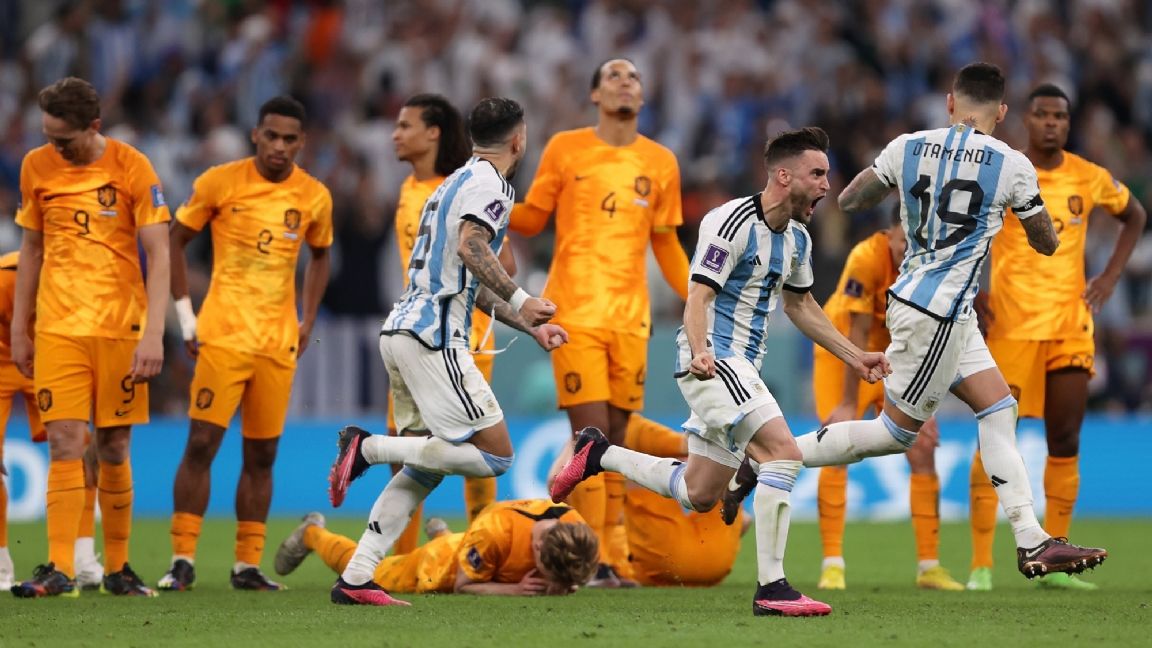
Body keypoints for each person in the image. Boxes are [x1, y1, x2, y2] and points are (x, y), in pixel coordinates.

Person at [783, 62, 1107, 584]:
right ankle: (772, 453)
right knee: (893, 434)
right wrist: (1022, 212)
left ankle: (1032, 539)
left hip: (942, 309)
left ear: (951, 103)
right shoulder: (1012, 164)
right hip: (937, 313)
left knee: (999, 408)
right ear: (1002, 112)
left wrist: (902, 192)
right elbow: (1046, 242)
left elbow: (850, 199)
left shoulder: (907, 147)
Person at [552, 127, 884, 617]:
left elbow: (801, 306)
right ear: (783, 175)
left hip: (742, 368)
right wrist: (701, 350)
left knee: (699, 492)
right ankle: (772, 588)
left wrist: (855, 357)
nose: (826, 185)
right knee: (784, 453)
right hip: (715, 361)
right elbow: (698, 295)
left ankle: (598, 453)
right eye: (817, 174)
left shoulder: (797, 238)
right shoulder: (730, 222)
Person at [325, 97, 568, 606]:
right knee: (497, 455)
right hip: (434, 338)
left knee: (426, 468)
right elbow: (472, 247)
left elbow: (468, 283)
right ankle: (367, 448)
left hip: (403, 331)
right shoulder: (491, 185)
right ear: (519, 139)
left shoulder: (449, 185)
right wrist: (524, 298)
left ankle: (357, 577)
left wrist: (530, 326)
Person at [511, 58, 689, 585]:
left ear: (643, 95)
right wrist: (487, 203)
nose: (625, 82)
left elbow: (666, 245)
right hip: (575, 313)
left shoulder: (661, 161)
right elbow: (532, 218)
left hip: (630, 319)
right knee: (589, 438)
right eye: (614, 75)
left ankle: (609, 554)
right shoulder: (565, 148)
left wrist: (700, 297)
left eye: (634, 76)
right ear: (594, 94)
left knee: (617, 439)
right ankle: (594, 555)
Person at [967, 83, 1146, 591]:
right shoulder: (1004, 169)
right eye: (1043, 114)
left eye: (1060, 116)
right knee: (995, 439)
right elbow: (968, 230)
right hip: (1011, 327)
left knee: (1064, 439)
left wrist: (1109, 277)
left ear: (1069, 123)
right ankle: (981, 564)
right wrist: (974, 289)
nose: (1051, 123)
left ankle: (1058, 559)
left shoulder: (1088, 176)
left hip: (1070, 326)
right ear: (1025, 120)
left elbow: (1134, 215)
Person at [159, 96, 333, 592]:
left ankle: (246, 565)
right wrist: (185, 316)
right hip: (222, 337)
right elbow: (175, 239)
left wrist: (308, 317)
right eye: (271, 136)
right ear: (256, 134)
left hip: (276, 344)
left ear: (302, 143)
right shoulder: (219, 182)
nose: (279, 146)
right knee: (201, 444)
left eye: (289, 139)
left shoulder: (314, 196)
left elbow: (321, 255)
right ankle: (181, 559)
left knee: (263, 455)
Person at [10, 77, 169, 598]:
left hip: (120, 329)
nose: (54, 147)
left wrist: (154, 334)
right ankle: (58, 567)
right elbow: (31, 250)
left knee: (114, 446)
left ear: (94, 126)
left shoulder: (132, 166)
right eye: (48, 136)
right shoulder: (35, 166)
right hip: (58, 328)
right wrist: (19, 328)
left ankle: (119, 568)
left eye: (64, 139)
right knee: (63, 441)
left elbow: (159, 254)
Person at [388, 93, 517, 555]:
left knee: (475, 446)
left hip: (459, 334)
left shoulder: (461, 186)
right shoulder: (412, 189)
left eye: (405, 125)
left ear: (433, 133)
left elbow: (504, 262)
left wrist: (514, 301)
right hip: (422, 328)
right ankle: (404, 559)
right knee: (409, 444)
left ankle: (478, 549)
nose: (395, 134)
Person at [809, 212, 962, 591]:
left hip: (896, 357)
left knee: (923, 447)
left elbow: (931, 335)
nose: (908, 250)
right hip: (843, 351)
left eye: (916, 243)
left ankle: (929, 566)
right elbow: (857, 330)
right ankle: (832, 565)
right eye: (902, 242)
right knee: (835, 445)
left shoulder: (932, 262)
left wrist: (927, 405)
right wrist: (848, 403)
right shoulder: (866, 258)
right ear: (888, 233)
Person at [0, 251, 104, 592]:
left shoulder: (81, 274)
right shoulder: (5, 278)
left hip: (52, 359)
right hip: (3, 360)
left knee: (80, 448)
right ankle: (1, 563)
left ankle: (83, 558)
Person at [272, 499, 599, 600]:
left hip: (472, 547)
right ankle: (313, 533)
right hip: (438, 566)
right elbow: (462, 586)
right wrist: (514, 589)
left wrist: (567, 582)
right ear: (537, 547)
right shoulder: (496, 531)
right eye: (548, 573)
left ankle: (442, 533)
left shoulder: (575, 525)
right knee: (370, 570)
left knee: (473, 548)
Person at [619, 415, 745, 587]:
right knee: (724, 473)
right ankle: (697, 445)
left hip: (660, 566)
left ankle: (690, 446)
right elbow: (746, 521)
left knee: (624, 450)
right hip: (713, 567)